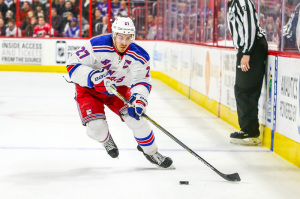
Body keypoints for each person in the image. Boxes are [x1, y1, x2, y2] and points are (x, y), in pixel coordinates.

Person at [66, 17, 173, 168]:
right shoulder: (95, 45)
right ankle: (106, 139)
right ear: (114, 34)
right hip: (89, 90)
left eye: (128, 38)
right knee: (96, 127)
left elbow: (141, 80)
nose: (124, 42)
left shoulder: (140, 55)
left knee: (137, 120)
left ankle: (151, 152)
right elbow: (72, 65)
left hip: (118, 89)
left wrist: (139, 100)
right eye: (121, 37)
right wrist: (93, 77)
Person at [227, 0, 268, 146]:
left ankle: (250, 131)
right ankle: (248, 129)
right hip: (246, 49)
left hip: (251, 48)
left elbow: (250, 25)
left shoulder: (242, 1)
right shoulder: (233, 3)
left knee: (245, 89)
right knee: (242, 89)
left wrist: (247, 52)